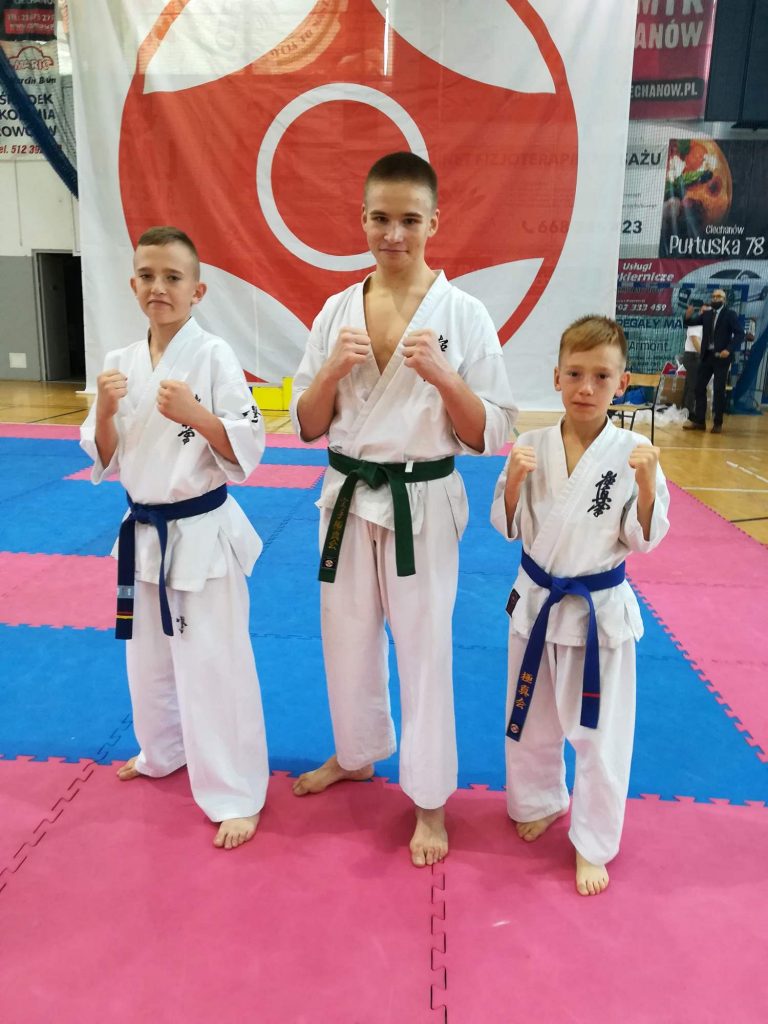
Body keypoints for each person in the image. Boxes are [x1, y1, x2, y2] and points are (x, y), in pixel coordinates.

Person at [289, 152, 517, 867]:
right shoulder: (335, 311)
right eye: (381, 218)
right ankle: (356, 754)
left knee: (424, 651)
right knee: (345, 637)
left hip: (422, 500)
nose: (394, 234)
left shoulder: (464, 315)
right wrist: (332, 368)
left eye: (409, 220)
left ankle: (429, 799)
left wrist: (446, 378)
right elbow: (305, 424)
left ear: (434, 223)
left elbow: (492, 432)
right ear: (362, 219)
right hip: (347, 496)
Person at [80, 225, 269, 850]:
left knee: (215, 664)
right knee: (148, 659)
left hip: (201, 532)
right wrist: (105, 413)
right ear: (132, 284)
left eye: (172, 277)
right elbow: (104, 457)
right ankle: (161, 750)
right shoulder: (118, 362)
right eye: (147, 276)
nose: (158, 287)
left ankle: (237, 792)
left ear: (197, 290)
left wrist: (197, 415)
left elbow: (248, 445)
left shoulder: (213, 355)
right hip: (142, 532)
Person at [491, 315, 670, 895]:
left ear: (622, 383)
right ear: (556, 377)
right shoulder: (530, 445)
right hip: (537, 603)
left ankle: (593, 842)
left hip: (598, 614)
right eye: (574, 374)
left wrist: (648, 486)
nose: (586, 388)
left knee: (600, 733)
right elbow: (506, 524)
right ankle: (539, 799)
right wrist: (512, 484)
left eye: (601, 376)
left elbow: (643, 538)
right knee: (530, 718)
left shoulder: (635, 452)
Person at [682, 288, 744, 434]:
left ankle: (718, 423)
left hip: (721, 358)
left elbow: (740, 334)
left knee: (718, 390)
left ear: (724, 299)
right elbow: (690, 322)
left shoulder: (730, 314)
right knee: (699, 387)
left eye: (718, 296)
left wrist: (728, 349)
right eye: (713, 296)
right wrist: (687, 315)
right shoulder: (707, 314)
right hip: (707, 356)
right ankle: (700, 421)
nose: (715, 299)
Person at [680, 321, 702, 419]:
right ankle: (689, 412)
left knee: (689, 384)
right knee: (693, 385)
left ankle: (685, 409)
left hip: (695, 356)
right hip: (693, 356)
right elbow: (694, 340)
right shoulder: (695, 323)